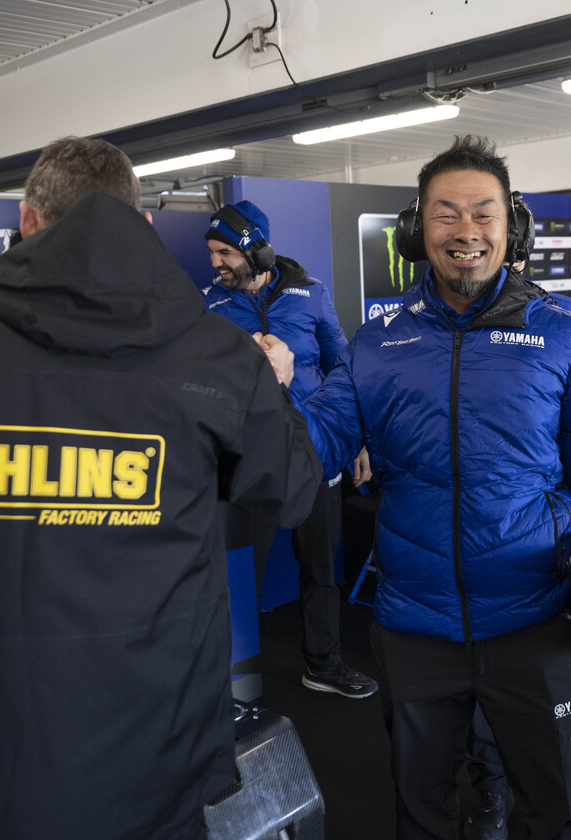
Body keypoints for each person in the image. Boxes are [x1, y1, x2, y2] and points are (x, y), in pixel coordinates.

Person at [0, 136, 321, 840]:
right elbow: (292, 493)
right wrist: (279, 388)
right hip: (163, 757)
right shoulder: (220, 357)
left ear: (27, 222)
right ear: (141, 225)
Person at [290, 135, 571, 839]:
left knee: (560, 814)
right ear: (416, 229)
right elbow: (313, 442)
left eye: (484, 213)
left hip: (537, 623)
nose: (466, 231)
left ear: (511, 227)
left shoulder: (562, 336)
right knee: (420, 814)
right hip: (414, 628)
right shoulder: (377, 344)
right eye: (446, 214)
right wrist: (252, 400)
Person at [203, 200, 377, 699]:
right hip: (249, 459)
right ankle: (232, 687)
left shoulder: (312, 293)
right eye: (211, 252)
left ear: (257, 251)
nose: (215, 262)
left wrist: (357, 438)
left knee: (321, 566)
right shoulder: (207, 305)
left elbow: (344, 368)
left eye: (224, 253)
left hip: (314, 449)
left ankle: (324, 664)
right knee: (240, 577)